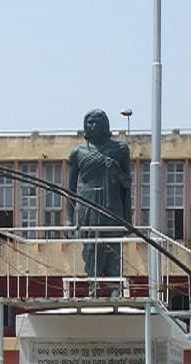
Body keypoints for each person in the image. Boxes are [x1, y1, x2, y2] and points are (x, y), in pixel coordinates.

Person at [67, 109, 132, 295]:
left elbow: (127, 184)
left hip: (112, 206)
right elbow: (70, 189)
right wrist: (69, 220)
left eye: (97, 122)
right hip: (88, 206)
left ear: (105, 125)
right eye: (89, 122)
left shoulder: (119, 150)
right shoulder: (77, 153)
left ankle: (114, 288)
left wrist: (117, 171)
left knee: (112, 247)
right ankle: (93, 286)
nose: (93, 126)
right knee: (91, 248)